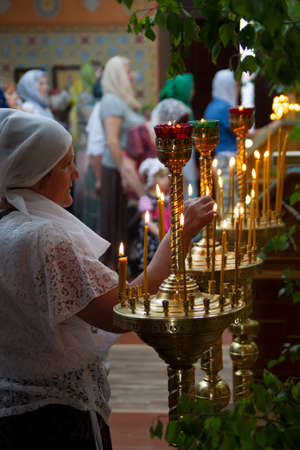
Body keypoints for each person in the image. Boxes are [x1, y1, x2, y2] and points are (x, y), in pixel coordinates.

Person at [0, 109, 214, 450]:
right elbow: (121, 310)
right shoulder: (44, 238)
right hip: (56, 415)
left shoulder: (8, 228)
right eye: (65, 164)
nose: (76, 172)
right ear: (36, 176)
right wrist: (181, 235)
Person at [100, 55, 146, 271]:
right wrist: (124, 174)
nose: (132, 76)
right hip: (117, 171)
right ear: (118, 75)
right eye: (128, 72)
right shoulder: (111, 101)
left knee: (123, 229)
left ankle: (120, 279)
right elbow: (112, 140)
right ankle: (112, 282)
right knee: (115, 229)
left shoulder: (120, 101)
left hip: (124, 170)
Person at [159, 73, 198, 196]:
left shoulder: (187, 109)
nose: (193, 92)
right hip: (178, 161)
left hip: (187, 162)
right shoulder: (177, 110)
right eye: (191, 88)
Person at [137, 157, 171, 271]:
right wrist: (159, 233)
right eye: (162, 176)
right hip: (154, 237)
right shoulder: (146, 199)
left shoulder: (168, 197)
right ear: (151, 179)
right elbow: (147, 220)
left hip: (167, 233)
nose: (166, 179)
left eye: (167, 175)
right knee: (154, 261)